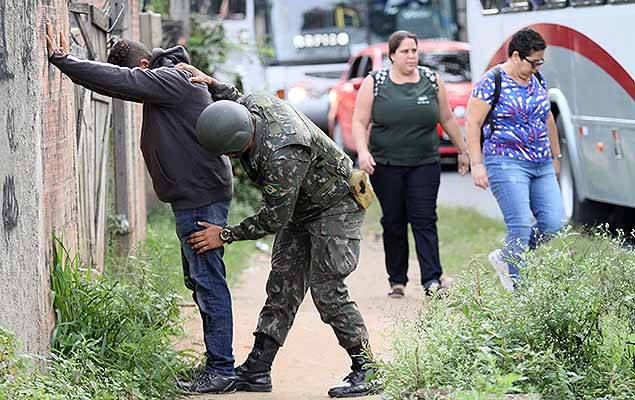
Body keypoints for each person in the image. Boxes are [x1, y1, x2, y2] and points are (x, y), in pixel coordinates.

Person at [45, 22, 237, 393]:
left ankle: (222, 369)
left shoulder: (171, 78)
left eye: (138, 76)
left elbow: (123, 81)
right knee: (200, 281)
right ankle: (218, 362)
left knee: (208, 281)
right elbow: (122, 82)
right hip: (195, 194)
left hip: (200, 196)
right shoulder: (171, 77)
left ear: (144, 66)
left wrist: (63, 60)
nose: (138, 83)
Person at [177, 62, 377, 398]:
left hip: (335, 206)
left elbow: (274, 218)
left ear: (236, 145)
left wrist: (225, 234)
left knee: (326, 289)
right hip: (303, 205)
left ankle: (366, 367)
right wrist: (213, 84)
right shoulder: (252, 107)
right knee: (282, 285)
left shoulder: (284, 156)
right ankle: (257, 370)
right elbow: (236, 98)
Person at [352, 30, 469, 298]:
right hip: (386, 164)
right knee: (393, 221)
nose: (411, 56)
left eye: (414, 51)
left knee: (424, 218)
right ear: (392, 55)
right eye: (405, 51)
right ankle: (397, 280)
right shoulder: (376, 82)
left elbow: (447, 119)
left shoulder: (431, 80)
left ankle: (432, 279)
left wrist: (464, 150)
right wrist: (363, 152)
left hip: (424, 162)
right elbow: (360, 121)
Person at [464, 28, 565, 291]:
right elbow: (472, 123)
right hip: (505, 161)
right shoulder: (492, 81)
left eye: (540, 62)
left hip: (541, 162)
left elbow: (548, 118)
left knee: (554, 224)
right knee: (519, 224)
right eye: (534, 62)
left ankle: (507, 256)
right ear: (517, 56)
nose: (537, 67)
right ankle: (520, 290)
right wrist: (477, 164)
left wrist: (556, 157)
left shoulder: (537, 80)